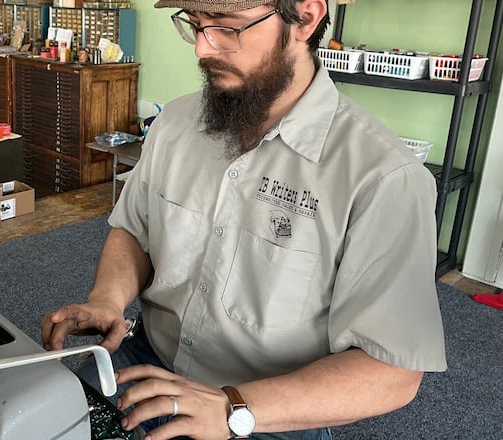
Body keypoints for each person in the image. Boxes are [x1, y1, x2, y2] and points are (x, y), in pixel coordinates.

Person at [41, 0, 447, 439]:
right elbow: (135, 232)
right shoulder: (174, 125)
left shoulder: (384, 177)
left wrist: (234, 408)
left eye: (227, 27)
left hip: (267, 408)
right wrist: (107, 299)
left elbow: (392, 371)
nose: (202, 48)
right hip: (146, 363)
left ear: (305, 19)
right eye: (195, 25)